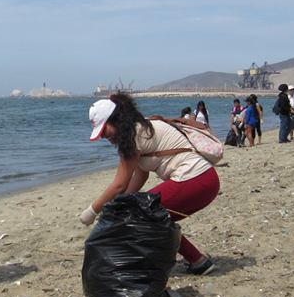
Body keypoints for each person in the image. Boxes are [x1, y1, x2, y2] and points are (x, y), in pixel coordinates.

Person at [80, 93, 219, 276]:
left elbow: (119, 184)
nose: (104, 137)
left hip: (193, 179)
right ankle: (198, 261)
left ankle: (184, 261)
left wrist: (91, 212)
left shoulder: (132, 135)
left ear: (116, 120)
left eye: (104, 131)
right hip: (206, 181)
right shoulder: (142, 126)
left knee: (142, 215)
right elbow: (140, 175)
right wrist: (120, 204)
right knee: (155, 218)